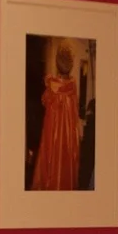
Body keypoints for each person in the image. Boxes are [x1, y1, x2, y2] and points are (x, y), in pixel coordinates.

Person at [31, 43, 85, 191]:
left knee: (50, 164)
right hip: (68, 139)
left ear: (57, 63)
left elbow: (44, 101)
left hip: (52, 137)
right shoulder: (73, 87)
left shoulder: (51, 88)